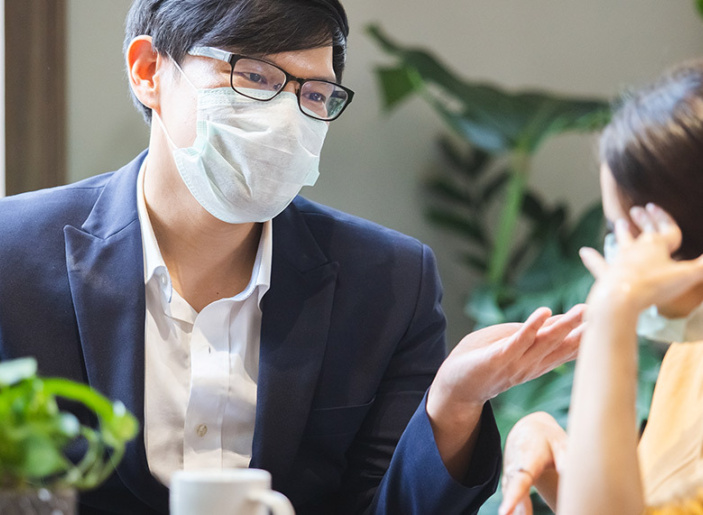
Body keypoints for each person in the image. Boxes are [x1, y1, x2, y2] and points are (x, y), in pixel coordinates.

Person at [0, 1, 584, 513]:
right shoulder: (13, 253)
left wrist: (452, 404)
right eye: (253, 76)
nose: (285, 117)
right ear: (149, 70)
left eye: (314, 94)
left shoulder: (388, 281)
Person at [499, 60, 703, 515]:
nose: (616, 256)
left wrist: (614, 307)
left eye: (621, 233)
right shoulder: (690, 354)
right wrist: (551, 454)